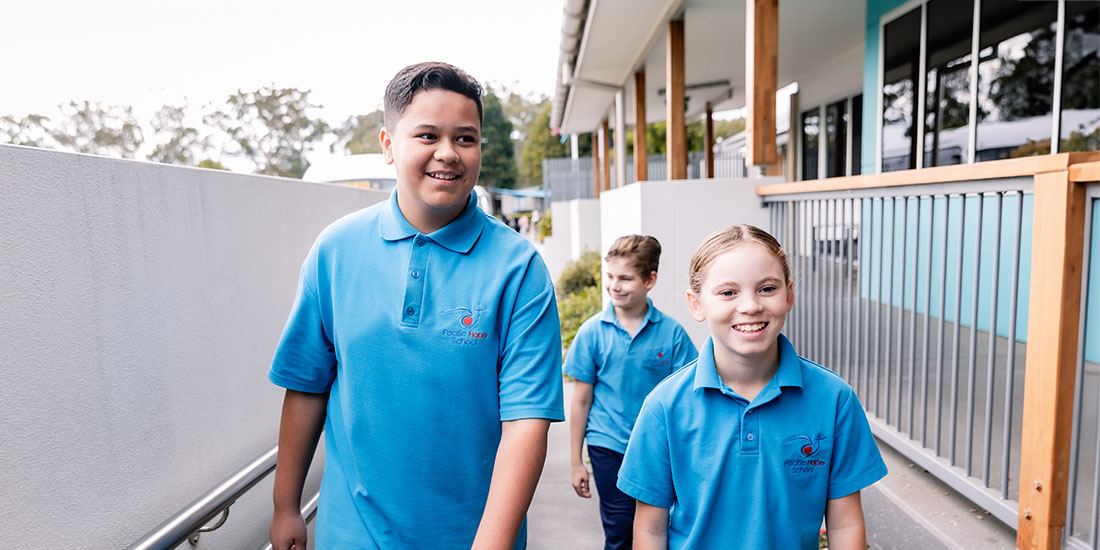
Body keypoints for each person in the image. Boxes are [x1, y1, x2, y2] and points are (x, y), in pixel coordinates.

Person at [267, 62, 564, 550]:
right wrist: (285, 508)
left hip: (474, 535)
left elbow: (526, 424)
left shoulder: (519, 269)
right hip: (350, 533)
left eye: (465, 139)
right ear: (389, 144)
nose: (447, 153)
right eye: (427, 135)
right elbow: (306, 387)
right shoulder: (335, 251)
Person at [617, 225, 886, 550]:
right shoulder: (664, 406)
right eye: (728, 292)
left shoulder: (835, 400)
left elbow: (845, 525)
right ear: (696, 304)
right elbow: (649, 531)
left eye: (767, 288)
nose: (750, 305)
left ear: (789, 295)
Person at [565, 235, 698, 550]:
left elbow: (687, 399)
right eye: (610, 276)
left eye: (625, 278)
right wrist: (575, 462)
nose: (615, 285)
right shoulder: (592, 333)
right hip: (607, 444)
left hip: (656, 448)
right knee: (621, 529)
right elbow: (581, 399)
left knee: (659, 527)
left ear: (650, 279)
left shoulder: (672, 334)